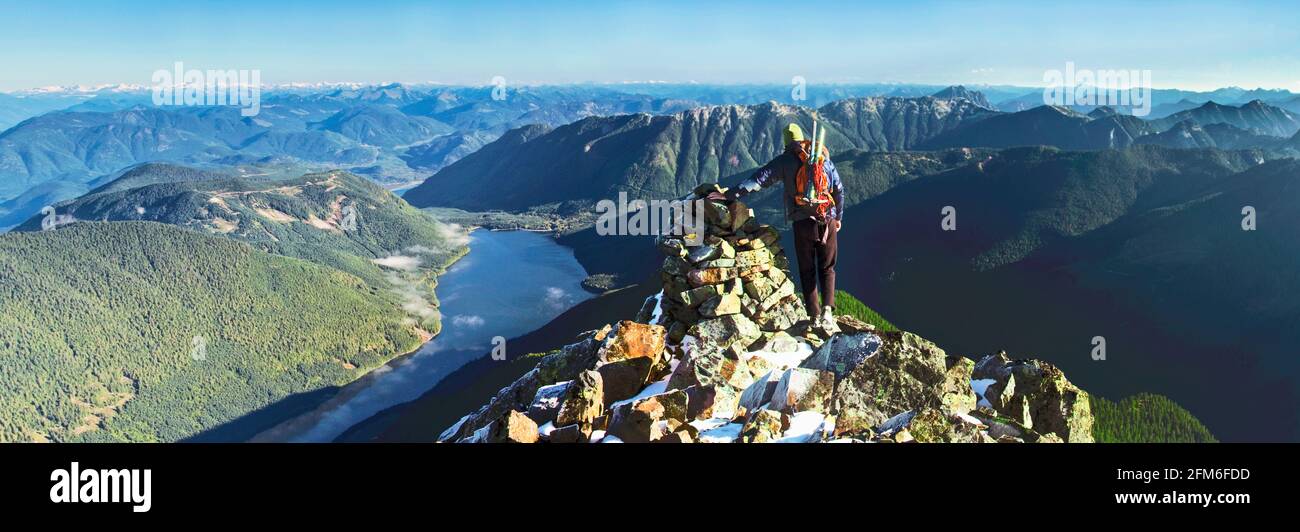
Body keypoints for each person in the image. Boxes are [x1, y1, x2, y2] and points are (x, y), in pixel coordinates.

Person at [727, 123, 844, 332]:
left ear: (786, 142)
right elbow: (838, 190)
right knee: (827, 268)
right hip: (827, 220)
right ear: (803, 138)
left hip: (803, 224)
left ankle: (814, 316)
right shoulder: (822, 158)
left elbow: (757, 181)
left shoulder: (785, 161)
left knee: (807, 270)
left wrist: (730, 194)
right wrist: (838, 218)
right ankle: (828, 312)